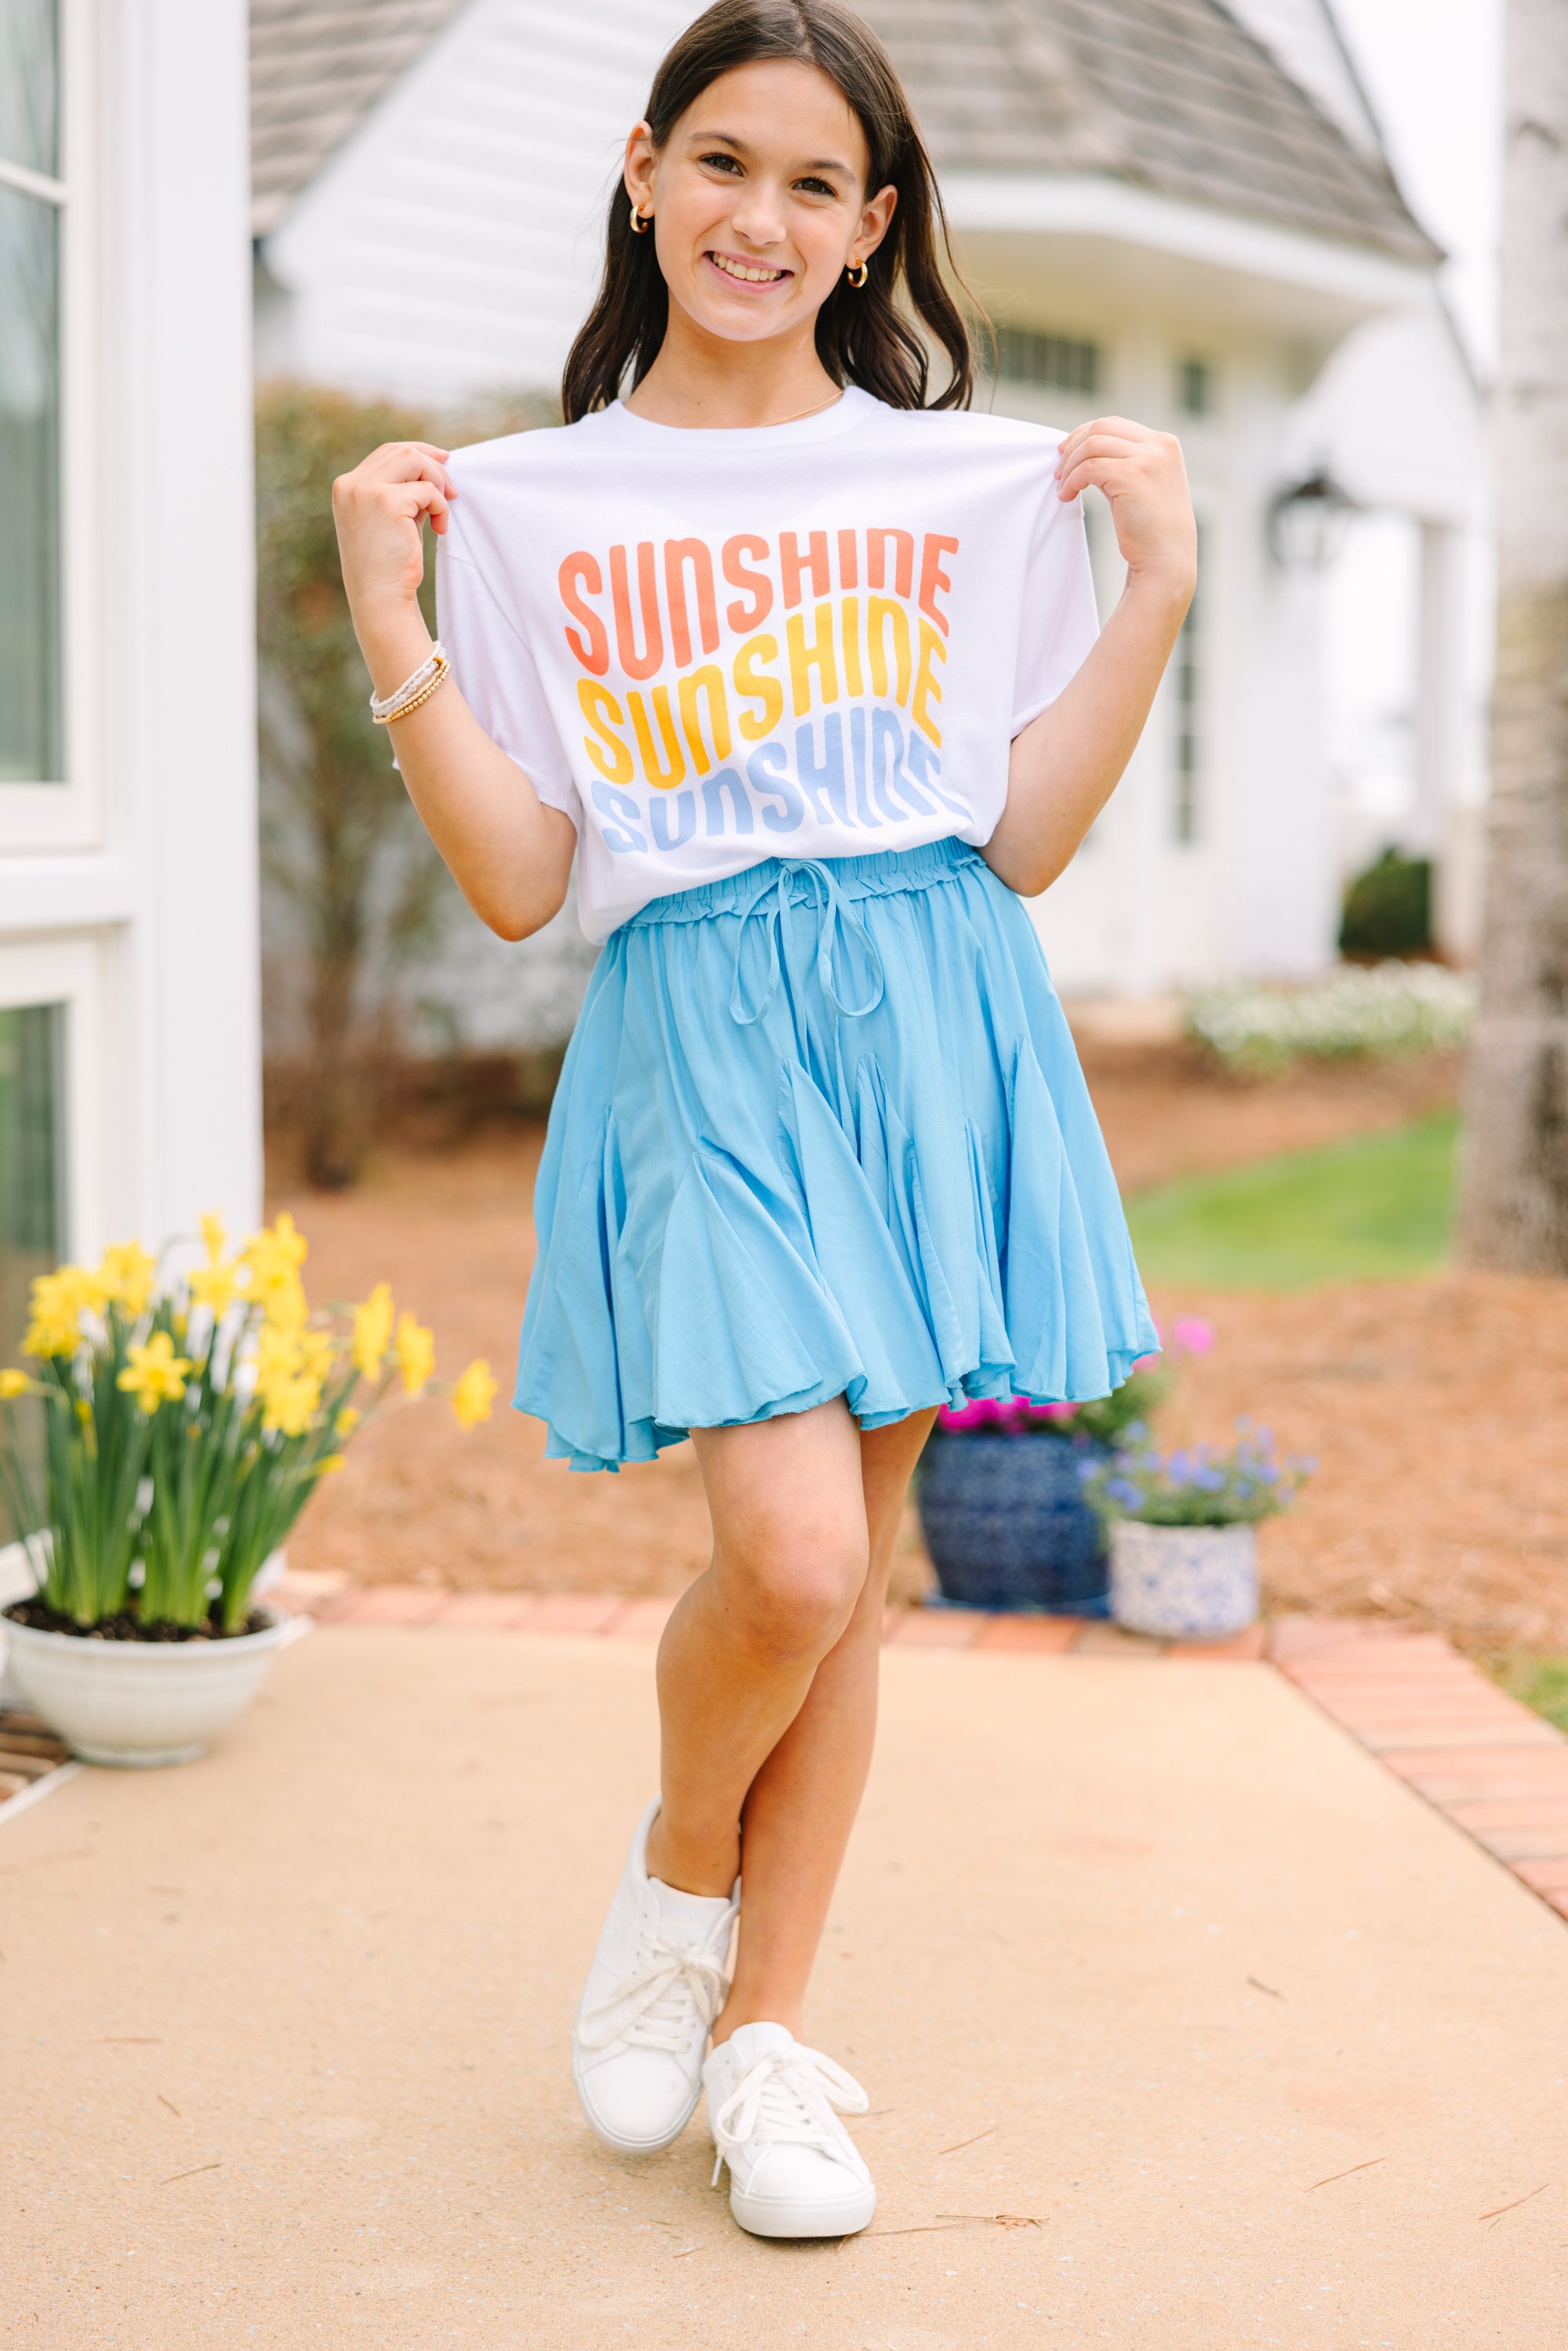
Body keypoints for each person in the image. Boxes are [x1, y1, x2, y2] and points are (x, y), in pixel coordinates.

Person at [332, 0, 1193, 2245]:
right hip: (701, 1024)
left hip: (932, 1003)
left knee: (854, 1589)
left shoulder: (957, 482)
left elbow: (1020, 839)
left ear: (873, 225)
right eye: (724, 164)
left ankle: (764, 2054)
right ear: (642, 174)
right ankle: (673, 1881)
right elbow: (526, 880)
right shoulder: (541, 503)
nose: (762, 218)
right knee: (791, 1557)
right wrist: (393, 616)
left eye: (817, 185)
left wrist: (1158, 593)